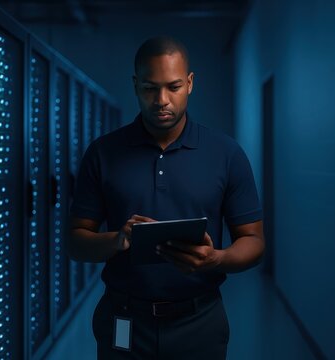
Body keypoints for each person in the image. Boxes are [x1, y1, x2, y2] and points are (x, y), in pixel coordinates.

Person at [69, 36, 264, 360]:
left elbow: (254, 241)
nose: (161, 99)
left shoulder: (227, 154)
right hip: (124, 318)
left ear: (189, 83)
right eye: (149, 87)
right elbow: (76, 242)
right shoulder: (103, 153)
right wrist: (117, 240)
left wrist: (216, 258)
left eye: (173, 87)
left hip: (200, 320)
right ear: (135, 85)